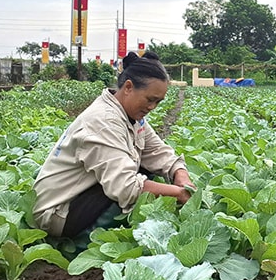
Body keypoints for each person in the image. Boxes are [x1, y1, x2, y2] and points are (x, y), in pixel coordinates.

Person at [32, 51, 195, 237]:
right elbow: (125, 187)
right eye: (150, 99)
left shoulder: (131, 115)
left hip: (82, 197)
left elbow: (157, 152)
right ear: (128, 87)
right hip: (59, 213)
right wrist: (179, 194)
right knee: (136, 180)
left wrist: (180, 175)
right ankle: (86, 242)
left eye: (158, 102)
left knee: (146, 171)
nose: (152, 107)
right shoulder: (103, 121)